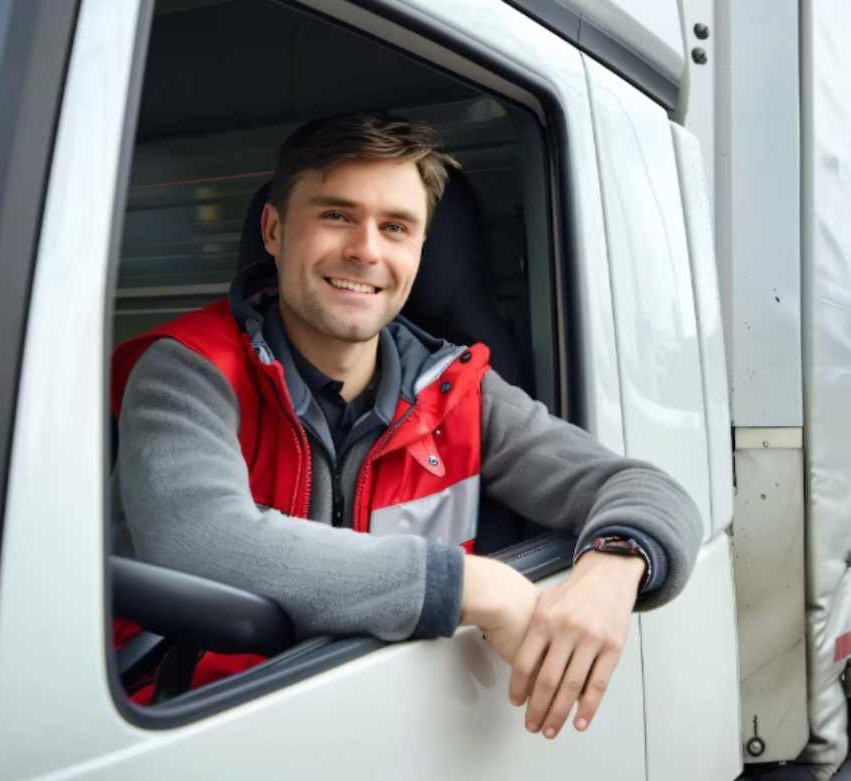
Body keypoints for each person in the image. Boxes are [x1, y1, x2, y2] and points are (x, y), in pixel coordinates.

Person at [110, 112, 703, 739]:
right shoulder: (188, 369)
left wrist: (614, 563)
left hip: (400, 724)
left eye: (395, 227)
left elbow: (648, 490)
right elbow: (198, 540)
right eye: (336, 215)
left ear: (419, 250)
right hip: (202, 725)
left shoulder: (458, 391)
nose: (366, 251)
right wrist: (470, 586)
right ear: (274, 231)